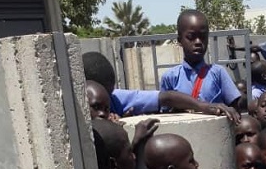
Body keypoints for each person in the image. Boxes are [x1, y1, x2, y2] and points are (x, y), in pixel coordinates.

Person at [82, 51, 238, 122]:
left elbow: (166, 97)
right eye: (97, 105)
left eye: (108, 100)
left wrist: (203, 106)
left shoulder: (117, 98)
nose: (106, 103)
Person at [160, 10, 241, 107]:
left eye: (203, 37)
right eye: (191, 37)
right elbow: (164, 113)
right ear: (180, 40)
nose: (198, 42)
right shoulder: (170, 77)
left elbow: (235, 107)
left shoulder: (218, 73)